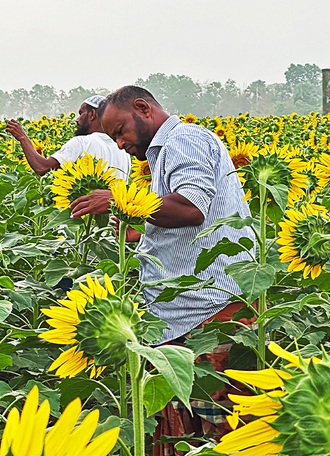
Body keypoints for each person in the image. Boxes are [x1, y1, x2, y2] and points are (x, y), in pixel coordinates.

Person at [70, 86, 256, 453]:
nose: (120, 144)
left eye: (120, 131)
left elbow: (190, 207)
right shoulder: (163, 154)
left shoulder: (184, 139)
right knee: (183, 437)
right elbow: (184, 224)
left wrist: (122, 200)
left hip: (208, 318)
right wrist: (138, 229)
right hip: (183, 318)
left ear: (143, 108)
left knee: (221, 433)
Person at [5, 95, 131, 179]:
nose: (77, 120)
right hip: (114, 219)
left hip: (85, 217)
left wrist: (22, 137)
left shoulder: (82, 143)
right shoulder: (124, 151)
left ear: (92, 114)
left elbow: (43, 168)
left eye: (81, 113)